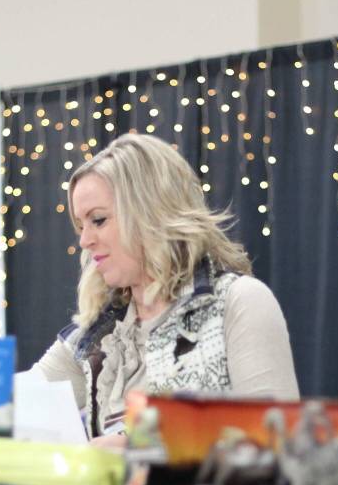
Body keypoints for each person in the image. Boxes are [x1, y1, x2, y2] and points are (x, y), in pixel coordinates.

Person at [34, 133, 299, 449]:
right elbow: (12, 406)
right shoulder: (98, 334)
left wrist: (140, 452)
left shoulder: (239, 302)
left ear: (151, 212)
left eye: (99, 220)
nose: (85, 240)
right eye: (81, 225)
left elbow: (278, 446)